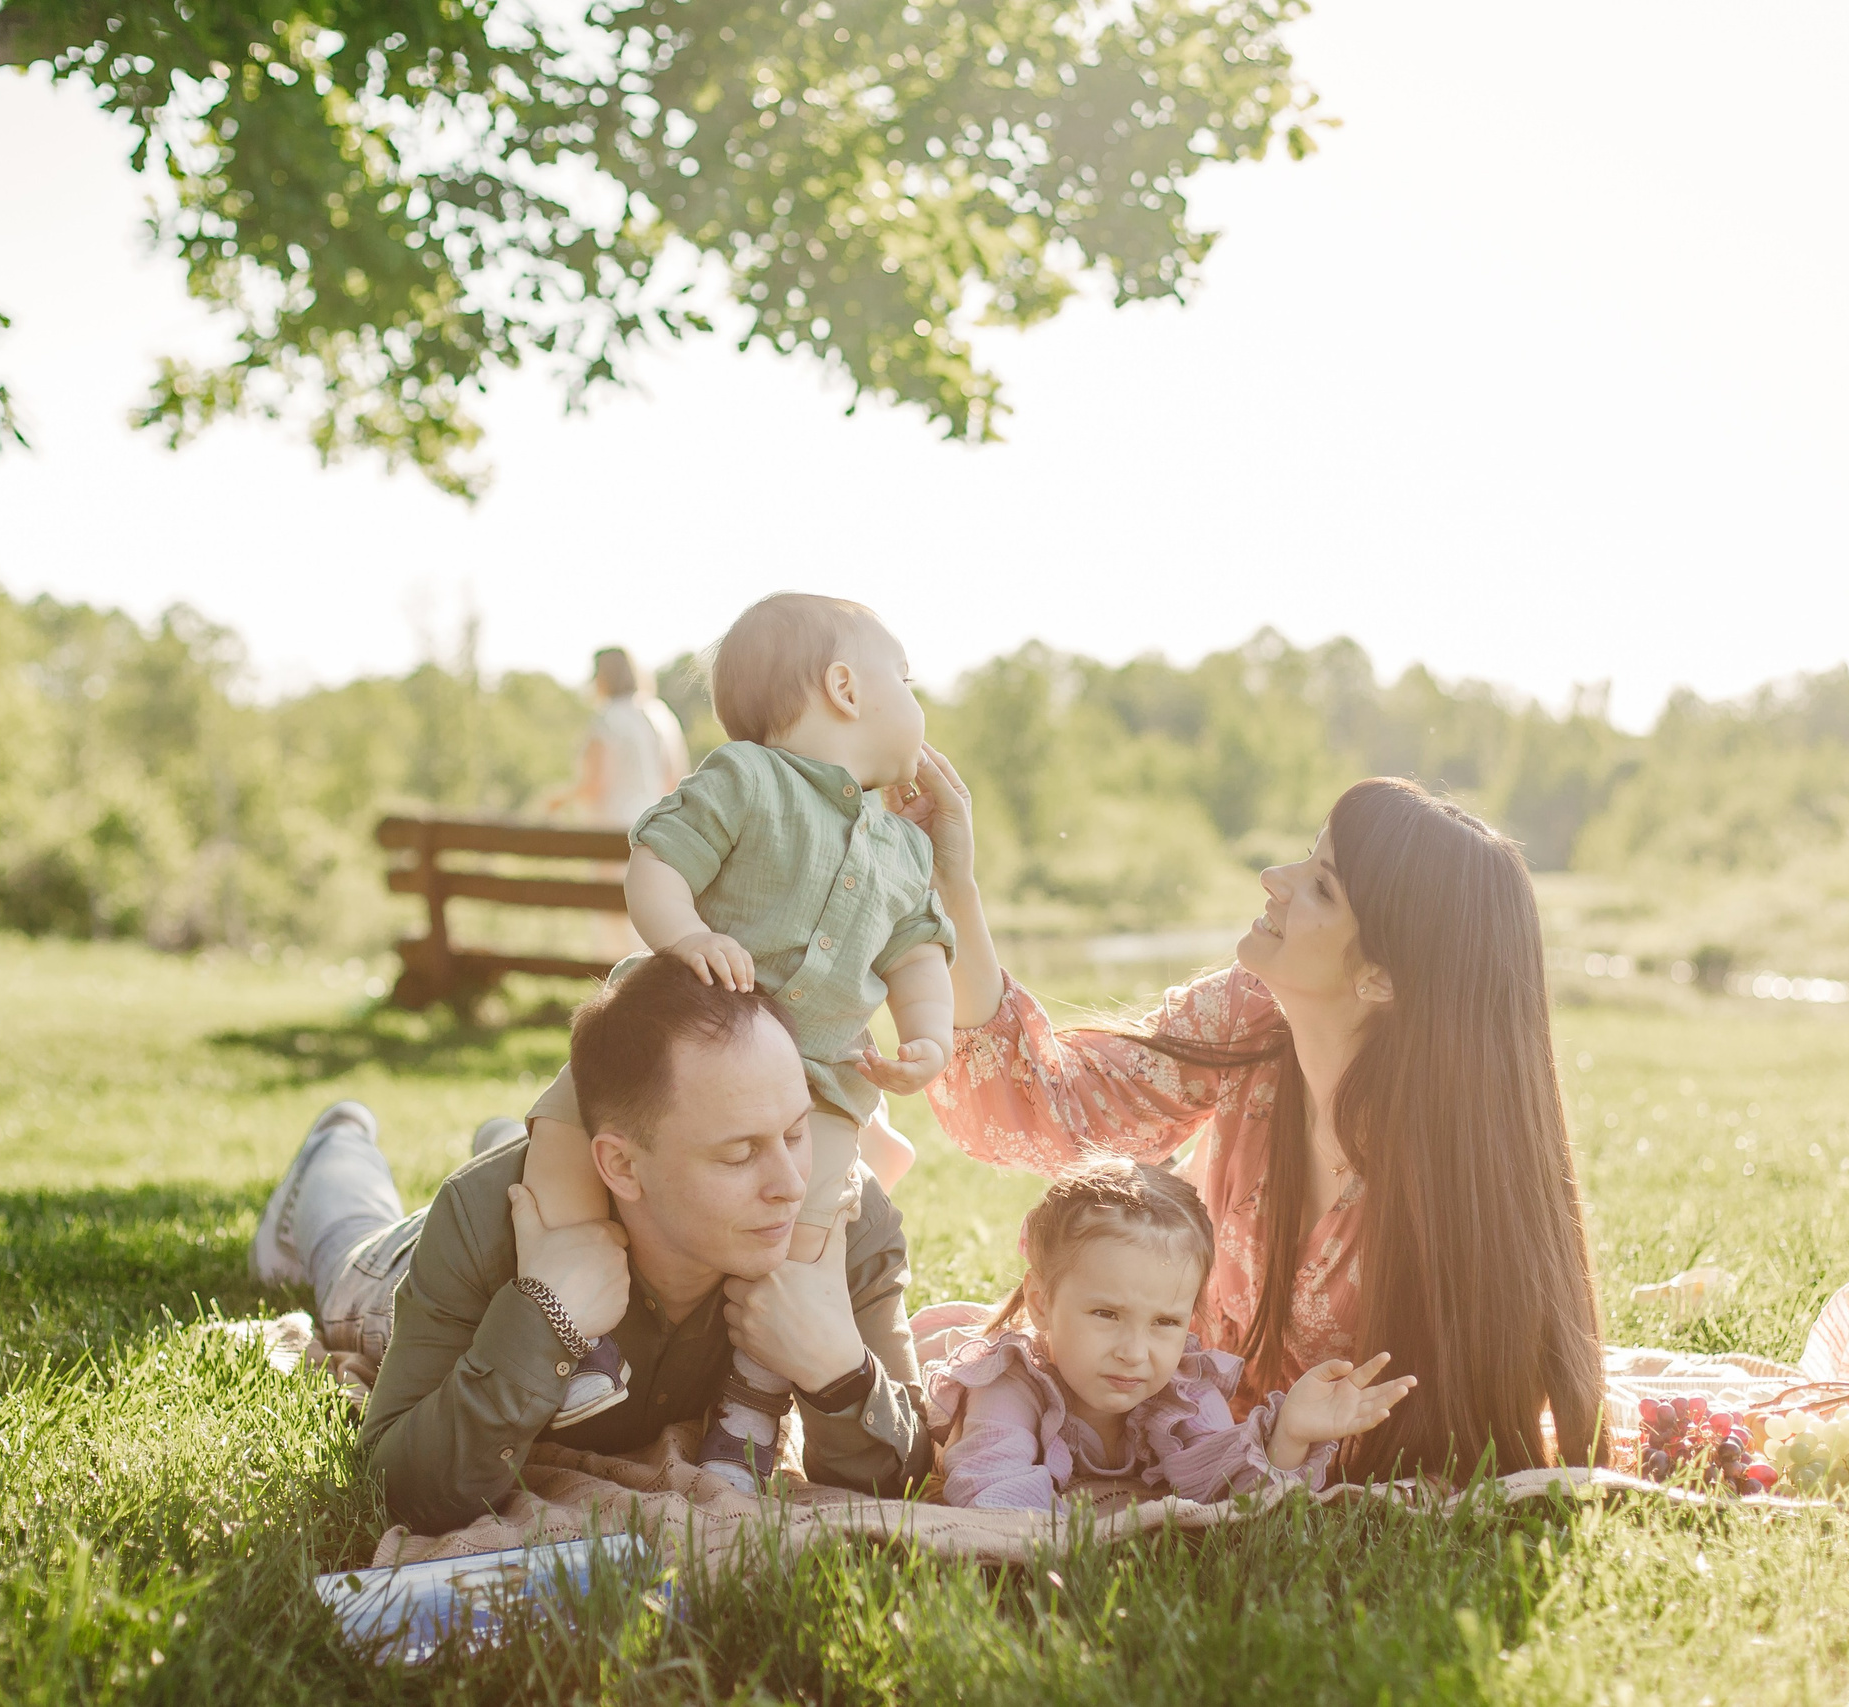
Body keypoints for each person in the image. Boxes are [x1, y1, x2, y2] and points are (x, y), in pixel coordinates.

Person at [906, 755, 1607, 1484]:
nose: (1275, 878)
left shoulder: (1455, 1170)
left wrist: (1278, 1447)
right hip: (1182, 1420)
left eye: (1322, 886)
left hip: (1269, 1453)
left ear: (1381, 977)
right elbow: (1053, 1106)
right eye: (1307, 855)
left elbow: (1446, 1428)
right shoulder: (1249, 1015)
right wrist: (956, 884)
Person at [247, 956, 935, 1534]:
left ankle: (501, 1132)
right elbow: (393, 1485)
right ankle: (335, 1143)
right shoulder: (481, 1218)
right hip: (398, 1273)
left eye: (795, 1132)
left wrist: (841, 1372)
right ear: (622, 1166)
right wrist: (541, 1317)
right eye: (739, 1154)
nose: (790, 1184)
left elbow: (907, 1473)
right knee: (347, 1246)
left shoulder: (840, 1219)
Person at [522, 594, 949, 1486]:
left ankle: (750, 1411)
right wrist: (685, 936)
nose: (919, 700)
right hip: (672, 1045)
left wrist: (927, 1038)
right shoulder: (747, 779)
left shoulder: (905, 849)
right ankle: (576, 1330)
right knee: (562, 1132)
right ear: (845, 688)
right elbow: (658, 862)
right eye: (906, 679)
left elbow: (917, 954)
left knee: (802, 1232)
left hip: (821, 1082)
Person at [924, 1157, 1416, 1510]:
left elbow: (1229, 1493)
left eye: (1165, 1322)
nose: (1134, 1353)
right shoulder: (1011, 1383)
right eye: (1106, 1314)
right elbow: (990, 1488)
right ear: (1040, 1303)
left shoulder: (1181, 1391)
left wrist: (1288, 1434)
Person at [541, 647, 690, 958]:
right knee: (648, 918)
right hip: (657, 831)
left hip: (612, 831)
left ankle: (617, 982)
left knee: (613, 923)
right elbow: (675, 780)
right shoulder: (660, 715)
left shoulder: (608, 718)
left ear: (603, 677)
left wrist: (558, 800)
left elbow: (596, 784)